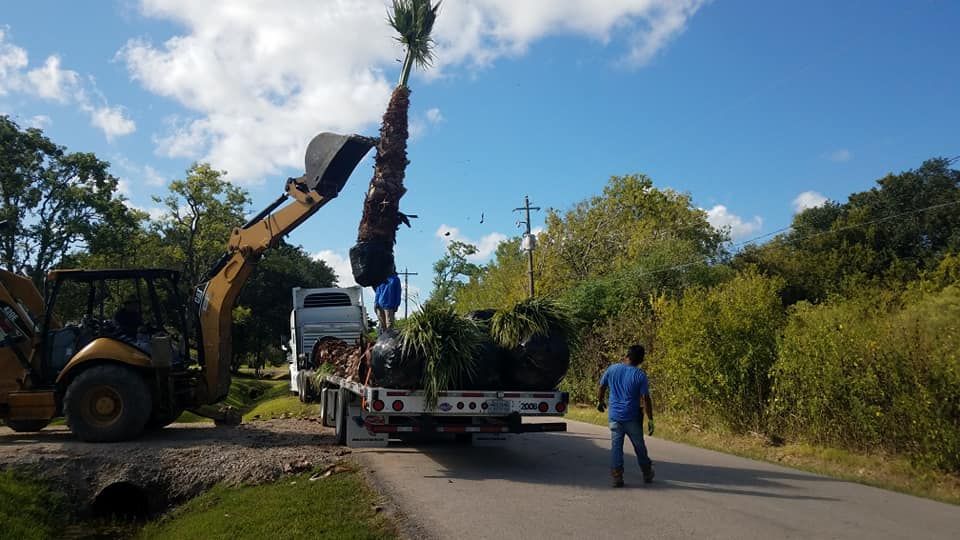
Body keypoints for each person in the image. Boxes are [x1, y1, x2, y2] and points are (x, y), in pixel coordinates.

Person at [598, 344, 655, 487]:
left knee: (616, 446)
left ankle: (617, 476)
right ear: (640, 360)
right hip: (632, 417)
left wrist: (600, 401)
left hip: (615, 416)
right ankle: (647, 472)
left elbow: (601, 386)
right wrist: (651, 419)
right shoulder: (640, 375)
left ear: (627, 356)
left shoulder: (612, 369)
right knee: (639, 446)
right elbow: (645, 398)